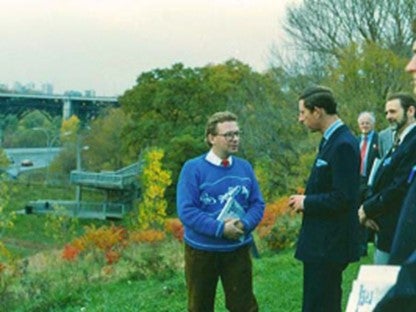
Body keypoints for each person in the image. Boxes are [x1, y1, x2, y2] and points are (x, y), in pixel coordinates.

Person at [176, 111, 265, 312]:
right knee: (199, 306)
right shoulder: (193, 169)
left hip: (237, 250)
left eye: (237, 134)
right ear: (211, 138)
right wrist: (220, 229)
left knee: (244, 306)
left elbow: (257, 204)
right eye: (228, 135)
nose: (235, 139)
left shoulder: (244, 167)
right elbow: (187, 211)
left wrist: (244, 225)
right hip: (201, 251)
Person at [289, 86, 361, 312]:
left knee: (321, 304)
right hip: (321, 244)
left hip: (328, 245)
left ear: (318, 111)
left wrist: (306, 202)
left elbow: (343, 197)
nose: (300, 119)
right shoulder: (330, 140)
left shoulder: (343, 144)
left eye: (303, 113)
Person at [358, 92, 416, 264]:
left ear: (411, 111)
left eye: (393, 112)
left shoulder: (413, 143)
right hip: (386, 228)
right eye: (386, 113)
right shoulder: (399, 142)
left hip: (399, 232)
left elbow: (400, 186)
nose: (388, 117)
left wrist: (368, 209)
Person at [357, 111, 379, 257]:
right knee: (358, 213)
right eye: (362, 123)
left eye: (367, 123)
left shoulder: (379, 140)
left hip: (372, 181)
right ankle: (360, 247)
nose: (365, 125)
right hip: (358, 181)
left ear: (373, 124)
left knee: (369, 212)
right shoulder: (355, 140)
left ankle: (374, 243)